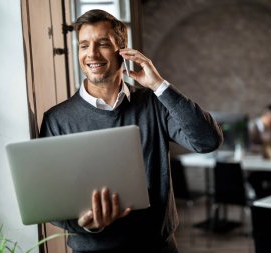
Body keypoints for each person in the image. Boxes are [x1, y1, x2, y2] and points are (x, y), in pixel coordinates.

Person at [39, 9, 223, 253]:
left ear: (122, 50)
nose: (91, 54)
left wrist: (159, 85)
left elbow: (207, 141)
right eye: (84, 45)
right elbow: (49, 199)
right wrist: (86, 224)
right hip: (93, 249)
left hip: (157, 248)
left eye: (102, 44)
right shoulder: (57, 119)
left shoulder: (155, 103)